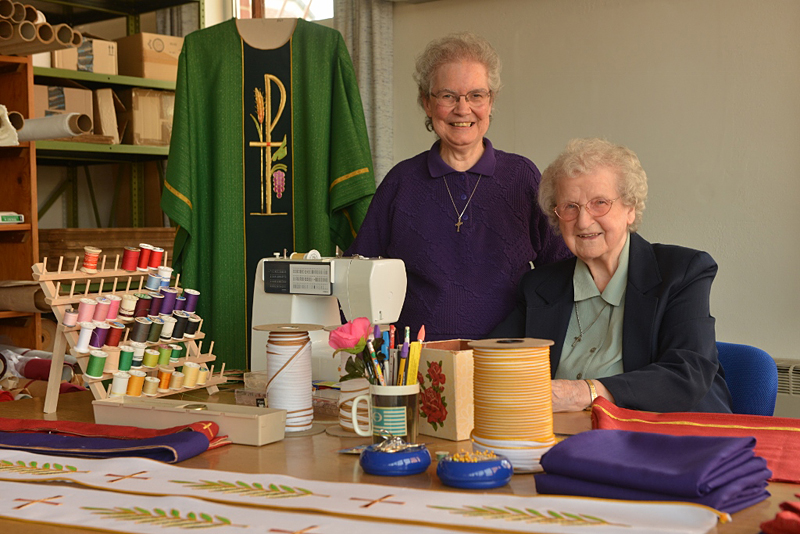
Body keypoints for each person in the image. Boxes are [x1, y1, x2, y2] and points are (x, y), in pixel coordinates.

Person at [346, 33, 570, 341]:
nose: (462, 109)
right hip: (419, 366)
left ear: (491, 102)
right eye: (448, 96)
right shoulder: (401, 182)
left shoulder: (522, 177)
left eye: (476, 95)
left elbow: (563, 270)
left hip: (506, 360)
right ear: (427, 102)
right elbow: (355, 277)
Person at [491, 138, 732, 413]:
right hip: (560, 440)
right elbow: (491, 362)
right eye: (570, 206)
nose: (583, 221)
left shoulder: (682, 271)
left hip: (661, 438)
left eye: (600, 203)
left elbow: (687, 373)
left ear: (630, 208)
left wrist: (585, 392)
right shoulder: (539, 286)